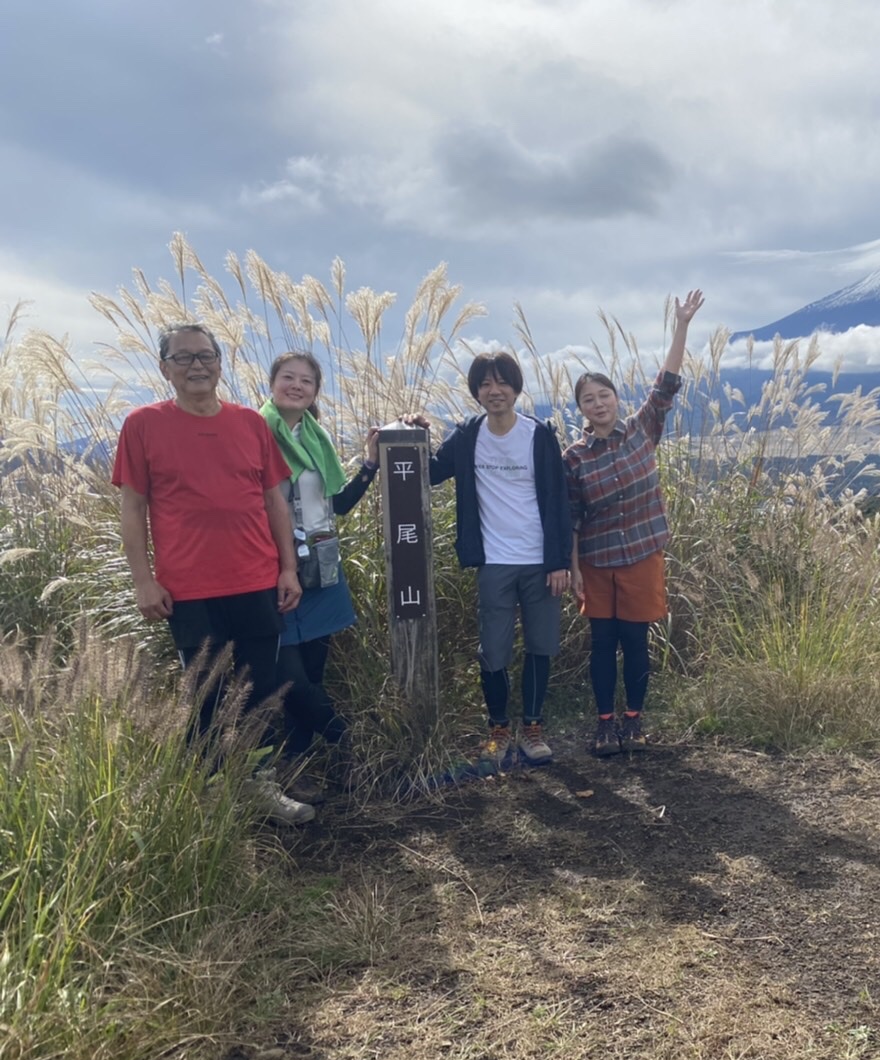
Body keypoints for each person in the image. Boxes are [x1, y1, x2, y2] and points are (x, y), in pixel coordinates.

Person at [112, 322, 311, 824]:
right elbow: (132, 508)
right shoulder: (143, 424)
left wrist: (288, 568)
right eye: (183, 358)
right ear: (164, 369)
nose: (196, 365)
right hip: (189, 588)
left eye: (206, 356)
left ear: (221, 364)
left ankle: (259, 785)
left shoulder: (250, 424)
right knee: (205, 695)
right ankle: (210, 798)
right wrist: (143, 579)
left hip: (256, 580)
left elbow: (274, 501)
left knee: (260, 690)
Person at [260, 351, 415, 801]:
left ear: (315, 392)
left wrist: (370, 464)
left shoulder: (316, 439)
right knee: (289, 677)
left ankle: (299, 766)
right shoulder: (253, 433)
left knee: (311, 673)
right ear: (272, 384)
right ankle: (350, 743)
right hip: (273, 572)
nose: (296, 385)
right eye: (287, 377)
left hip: (322, 570)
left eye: (306, 380)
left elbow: (338, 506)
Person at [564, 289, 703, 756]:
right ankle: (605, 725)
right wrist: (575, 567)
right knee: (602, 644)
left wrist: (681, 324)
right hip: (599, 561)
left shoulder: (644, 428)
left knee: (636, 641)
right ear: (580, 408)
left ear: (617, 399)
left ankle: (634, 722)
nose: (598, 403)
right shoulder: (575, 456)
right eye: (588, 399)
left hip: (643, 554)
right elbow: (574, 517)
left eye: (604, 394)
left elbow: (667, 381)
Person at [429, 351, 572, 771]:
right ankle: (498, 729)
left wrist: (559, 561)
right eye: (485, 384)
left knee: (541, 645)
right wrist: (416, 433)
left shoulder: (538, 434)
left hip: (539, 560)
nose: (495, 391)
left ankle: (532, 728)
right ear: (476, 392)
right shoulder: (468, 435)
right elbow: (433, 471)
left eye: (502, 382)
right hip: (493, 561)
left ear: (516, 387)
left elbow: (557, 500)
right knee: (493, 650)